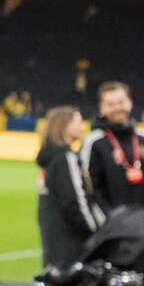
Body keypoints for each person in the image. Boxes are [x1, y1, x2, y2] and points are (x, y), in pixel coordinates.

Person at [36, 106, 101, 268]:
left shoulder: (49, 158)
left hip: (53, 240)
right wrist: (97, 232)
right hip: (72, 245)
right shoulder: (66, 158)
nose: (83, 126)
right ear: (64, 127)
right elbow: (75, 202)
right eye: (78, 122)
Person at [81, 80, 144, 213]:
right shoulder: (94, 142)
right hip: (111, 227)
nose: (117, 108)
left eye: (121, 102)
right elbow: (90, 190)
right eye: (111, 104)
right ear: (102, 108)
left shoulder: (143, 139)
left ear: (130, 103)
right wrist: (111, 222)